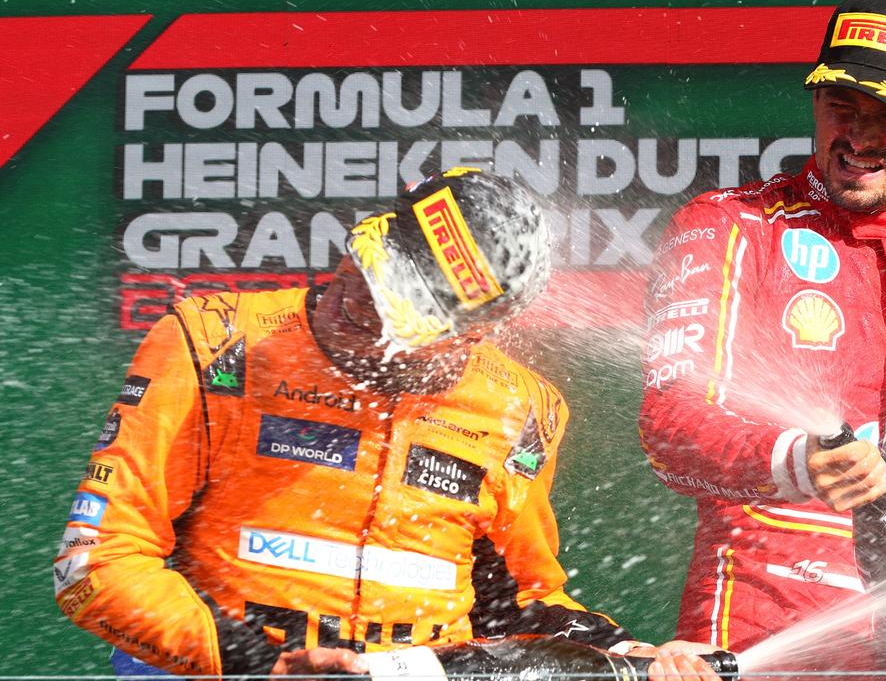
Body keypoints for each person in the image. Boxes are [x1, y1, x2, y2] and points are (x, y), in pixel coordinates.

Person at [54, 168, 661, 678]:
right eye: (369, 265)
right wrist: (263, 664)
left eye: (394, 308)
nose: (358, 299)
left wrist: (629, 653)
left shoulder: (523, 408)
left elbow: (517, 605)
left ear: (471, 334)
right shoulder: (216, 342)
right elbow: (94, 564)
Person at [639, 0, 886, 673]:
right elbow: (670, 424)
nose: (857, 135)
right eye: (839, 106)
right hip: (750, 645)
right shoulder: (731, 226)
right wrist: (797, 460)